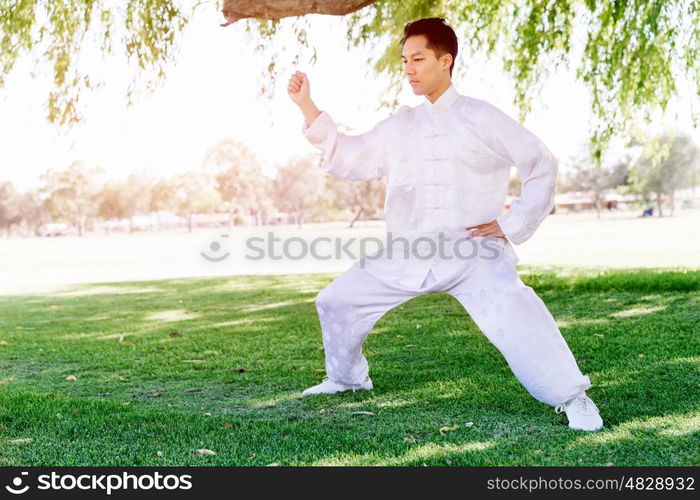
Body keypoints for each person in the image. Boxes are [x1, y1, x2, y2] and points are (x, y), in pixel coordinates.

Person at [287, 17, 603, 431]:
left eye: (418, 59)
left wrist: (511, 224)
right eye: (405, 60)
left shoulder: (481, 117)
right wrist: (307, 105)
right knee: (335, 301)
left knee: (516, 307)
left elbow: (541, 161)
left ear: (445, 60)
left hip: (472, 252)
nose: (409, 69)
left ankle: (572, 398)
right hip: (408, 254)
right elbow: (349, 155)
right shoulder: (400, 125)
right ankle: (346, 379)